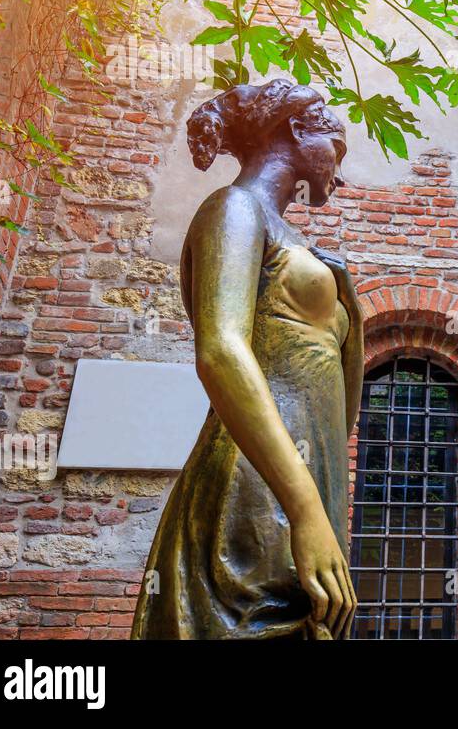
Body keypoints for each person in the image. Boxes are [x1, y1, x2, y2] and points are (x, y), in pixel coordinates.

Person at [132, 79, 364, 639]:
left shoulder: (304, 246)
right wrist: (305, 509)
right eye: (338, 146)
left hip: (311, 483)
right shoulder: (235, 209)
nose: (340, 167)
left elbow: (342, 405)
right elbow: (221, 351)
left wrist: (347, 305)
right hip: (255, 487)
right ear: (296, 128)